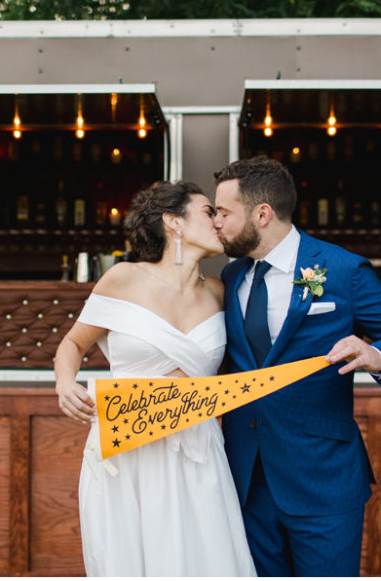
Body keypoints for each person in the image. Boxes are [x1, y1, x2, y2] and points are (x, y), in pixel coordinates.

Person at [213, 156, 381, 577]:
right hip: (246, 478)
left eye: (223, 213)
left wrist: (376, 355)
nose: (216, 222)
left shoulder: (342, 269)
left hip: (322, 477)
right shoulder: (231, 275)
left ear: (262, 214)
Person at [55, 180, 257, 577]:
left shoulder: (221, 291)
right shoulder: (123, 279)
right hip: (129, 452)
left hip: (199, 453)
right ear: (173, 223)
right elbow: (72, 345)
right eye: (207, 212)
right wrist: (65, 383)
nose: (217, 221)